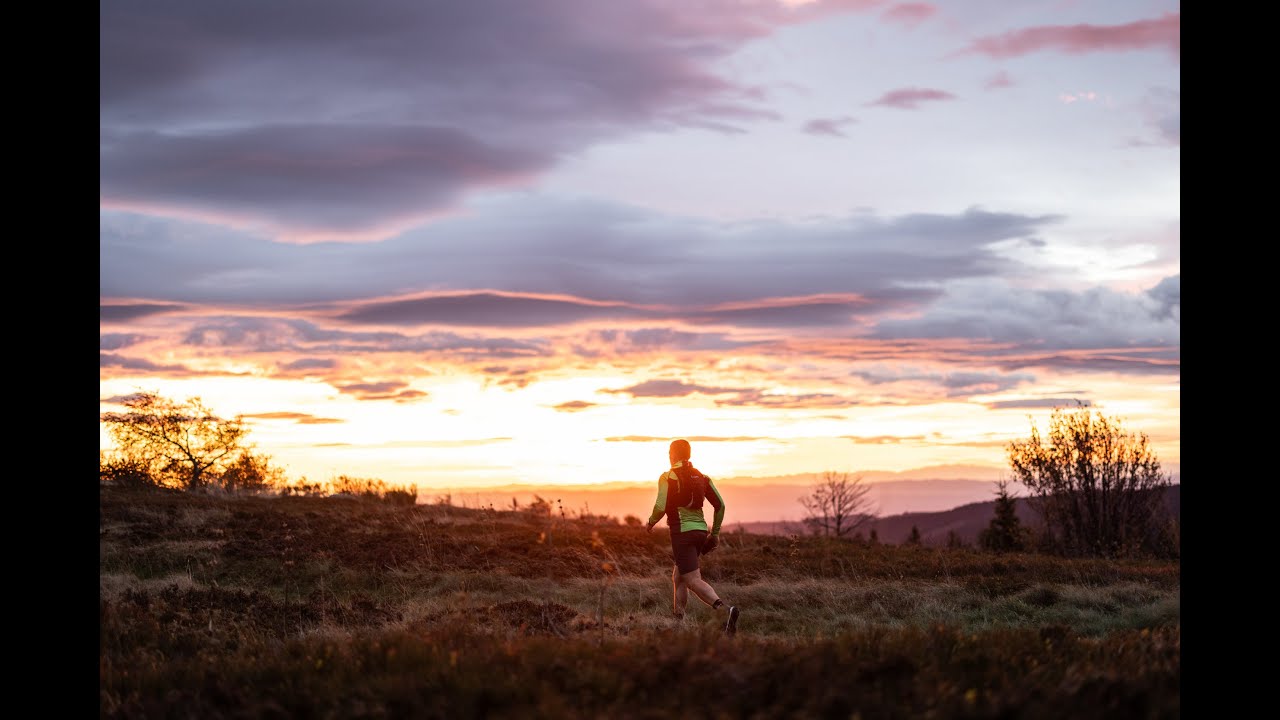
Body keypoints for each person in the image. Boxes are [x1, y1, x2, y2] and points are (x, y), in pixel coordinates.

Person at [644, 438, 740, 635]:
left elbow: (660, 506)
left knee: (692, 580)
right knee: (678, 577)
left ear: (672, 455)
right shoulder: (702, 477)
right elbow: (720, 505)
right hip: (700, 533)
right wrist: (714, 534)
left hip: (682, 534)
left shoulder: (668, 476)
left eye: (669, 452)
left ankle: (725, 612)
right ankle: (678, 622)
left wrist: (651, 522)